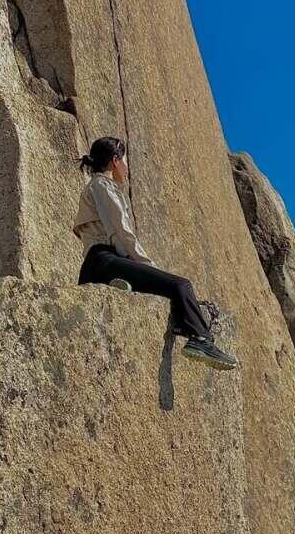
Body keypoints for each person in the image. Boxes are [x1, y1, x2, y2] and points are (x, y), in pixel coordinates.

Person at [73, 136, 237, 371]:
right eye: (125, 161)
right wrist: (147, 265)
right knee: (180, 285)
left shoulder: (99, 187)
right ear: (116, 160)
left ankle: (122, 288)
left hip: (98, 266)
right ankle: (202, 339)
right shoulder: (102, 185)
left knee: (159, 291)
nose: (127, 168)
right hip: (105, 260)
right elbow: (121, 231)